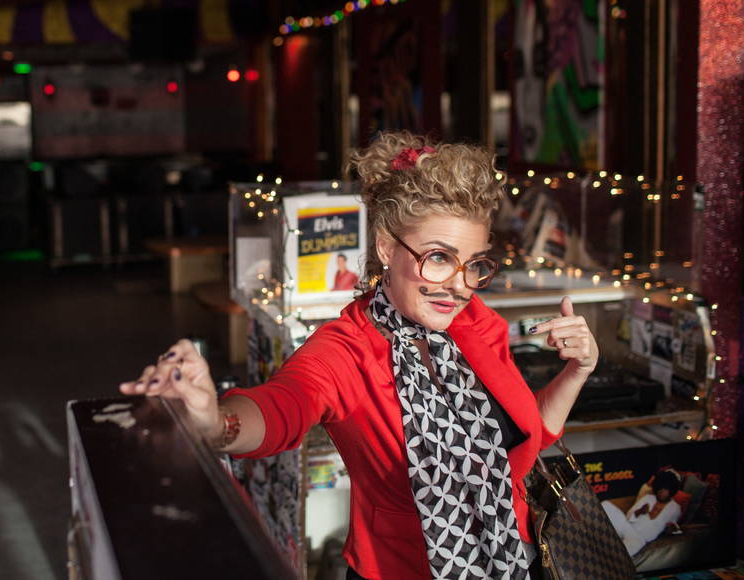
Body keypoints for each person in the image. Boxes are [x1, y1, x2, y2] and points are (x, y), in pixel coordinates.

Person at [119, 131, 599, 580]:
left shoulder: (476, 323)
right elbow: (282, 406)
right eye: (438, 257)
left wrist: (578, 371)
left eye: (473, 264)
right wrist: (213, 423)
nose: (459, 285)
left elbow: (526, 438)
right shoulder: (348, 349)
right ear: (386, 246)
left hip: (512, 562)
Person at [602, 470, 683, 556]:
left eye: (665, 489)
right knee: (605, 504)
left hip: (639, 538)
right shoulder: (648, 498)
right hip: (627, 527)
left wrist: (672, 530)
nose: (661, 492)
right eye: (660, 488)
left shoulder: (675, 508)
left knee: (623, 553)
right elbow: (628, 516)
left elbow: (674, 528)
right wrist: (639, 511)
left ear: (672, 490)